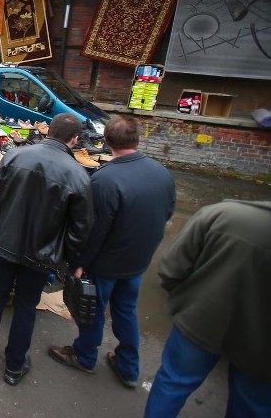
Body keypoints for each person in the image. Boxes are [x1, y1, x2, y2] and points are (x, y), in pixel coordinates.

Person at [48, 115, 176, 387]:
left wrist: (80, 262)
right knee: (126, 310)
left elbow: (95, 230)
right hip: (138, 261)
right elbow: (167, 214)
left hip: (106, 264)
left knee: (92, 310)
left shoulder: (106, 179)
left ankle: (84, 356)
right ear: (137, 140)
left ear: (105, 142)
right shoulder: (161, 173)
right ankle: (128, 367)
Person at [0, 113, 93, 386]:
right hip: (42, 254)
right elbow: (80, 228)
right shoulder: (79, 175)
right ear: (74, 139)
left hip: (3, 243)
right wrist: (72, 261)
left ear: (48, 130)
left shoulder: (16, 156)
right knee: (25, 307)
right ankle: (14, 366)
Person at [144, 199, 271, 417]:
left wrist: (184, 301)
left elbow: (170, 268)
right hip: (266, 345)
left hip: (199, 322)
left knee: (173, 384)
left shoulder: (221, 214)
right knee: (253, 406)